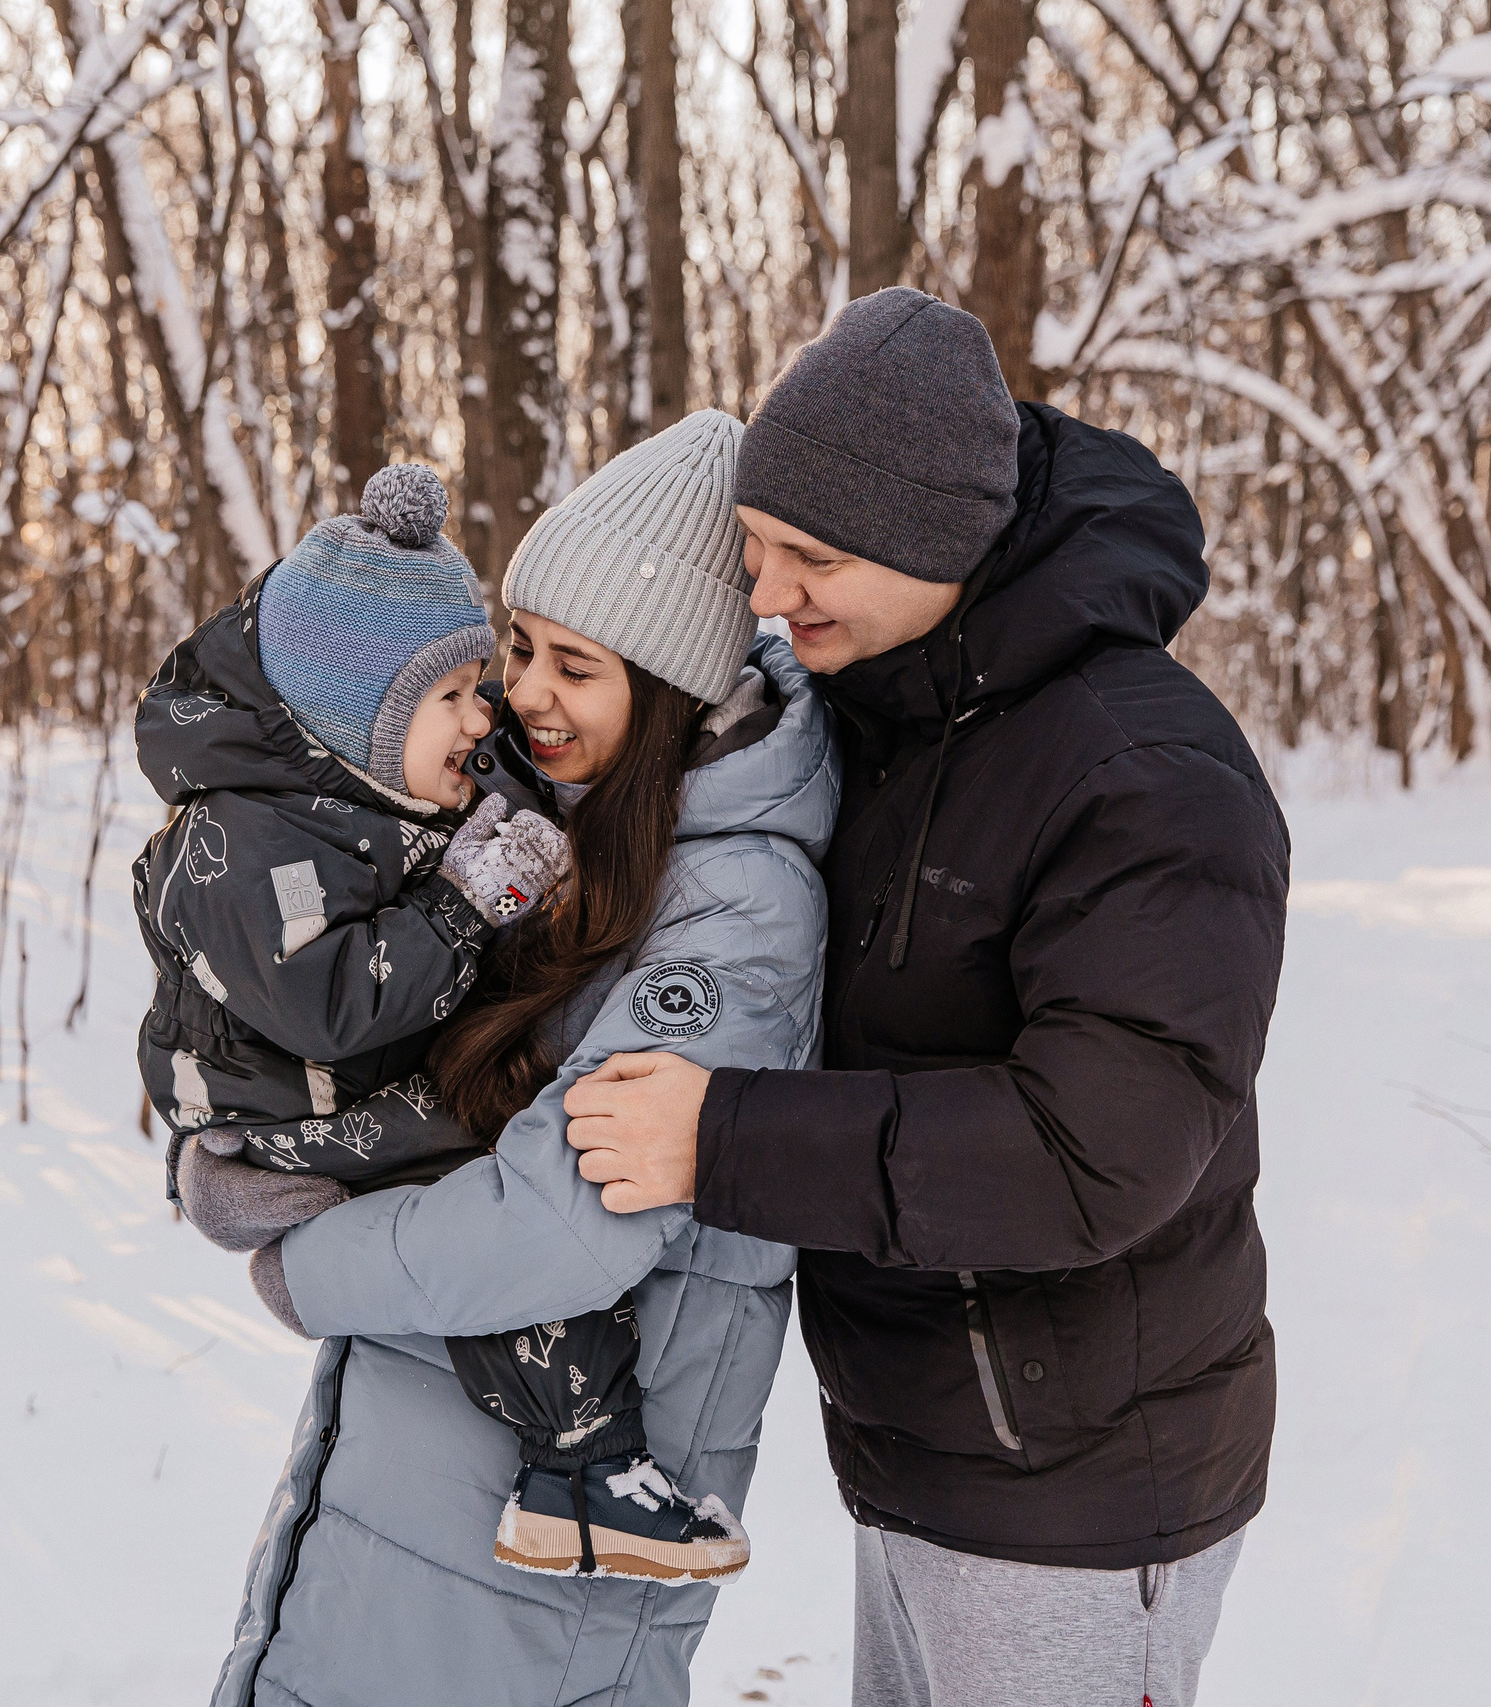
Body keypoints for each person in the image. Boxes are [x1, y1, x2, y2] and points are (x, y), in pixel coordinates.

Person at [563, 289, 1291, 1707]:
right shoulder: (883, 710)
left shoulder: (1146, 776)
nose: (767, 594)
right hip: (922, 1446)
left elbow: (1096, 1151)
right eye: (755, 547)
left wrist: (721, 1139)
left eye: (813, 556)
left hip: (1081, 1490)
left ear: (939, 538)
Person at [180, 409, 839, 1707]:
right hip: (427, 1478)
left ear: (673, 687)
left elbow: (563, 1223)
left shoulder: (736, 910)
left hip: (545, 1552)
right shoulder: (546, 833)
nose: (523, 693)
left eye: (574, 666)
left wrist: (307, 1261)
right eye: (519, 648)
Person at [134, 462, 741, 1589]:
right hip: (306, 1110)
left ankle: (583, 1468)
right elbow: (326, 1007)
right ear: (356, 721)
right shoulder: (246, 843)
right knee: (482, 1193)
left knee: (488, 1180)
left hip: (361, 1089)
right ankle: (584, 1459)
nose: (492, 711)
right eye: (462, 690)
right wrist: (465, 903)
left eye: (482, 682)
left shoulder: (373, 794)